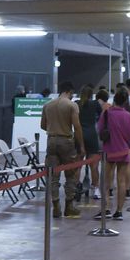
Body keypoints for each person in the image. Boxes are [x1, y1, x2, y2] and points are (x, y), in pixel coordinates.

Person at [41, 80, 85, 217]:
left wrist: (53, 128)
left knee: (53, 176)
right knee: (70, 173)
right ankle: (69, 206)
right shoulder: (72, 105)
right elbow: (77, 127)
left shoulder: (47, 105)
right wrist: (81, 146)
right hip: (66, 141)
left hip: (51, 140)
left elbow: (43, 125)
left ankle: (55, 206)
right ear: (70, 92)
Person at [95, 88, 130, 220]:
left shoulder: (106, 114)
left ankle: (105, 209)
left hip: (109, 151)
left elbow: (100, 129)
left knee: (106, 182)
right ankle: (119, 211)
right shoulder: (128, 115)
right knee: (121, 181)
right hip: (123, 151)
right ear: (125, 101)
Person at [78, 84, 101, 202]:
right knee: (94, 165)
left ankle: (76, 187)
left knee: (77, 164)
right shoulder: (95, 104)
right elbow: (101, 116)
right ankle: (96, 188)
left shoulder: (77, 104)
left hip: (79, 134)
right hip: (92, 134)